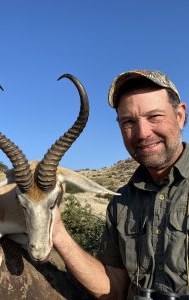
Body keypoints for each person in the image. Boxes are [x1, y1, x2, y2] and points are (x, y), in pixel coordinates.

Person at [52, 69, 189, 299]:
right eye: (128, 122)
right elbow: (113, 287)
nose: (142, 133)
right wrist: (56, 232)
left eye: (154, 116)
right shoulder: (120, 203)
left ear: (180, 116)